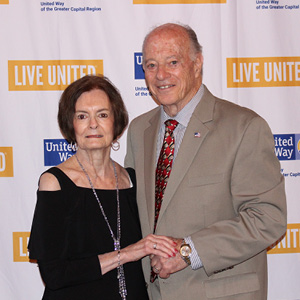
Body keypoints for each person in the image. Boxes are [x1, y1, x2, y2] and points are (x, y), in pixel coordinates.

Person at [125, 23, 287, 300]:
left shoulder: (244, 127)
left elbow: (268, 218)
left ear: (197, 63)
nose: (161, 75)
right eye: (151, 65)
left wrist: (189, 252)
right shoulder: (140, 130)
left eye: (172, 62)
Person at [28, 75, 177, 300]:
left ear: (116, 122)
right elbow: (54, 274)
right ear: (71, 124)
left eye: (102, 114)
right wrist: (128, 253)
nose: (93, 124)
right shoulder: (54, 183)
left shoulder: (132, 180)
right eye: (82, 116)